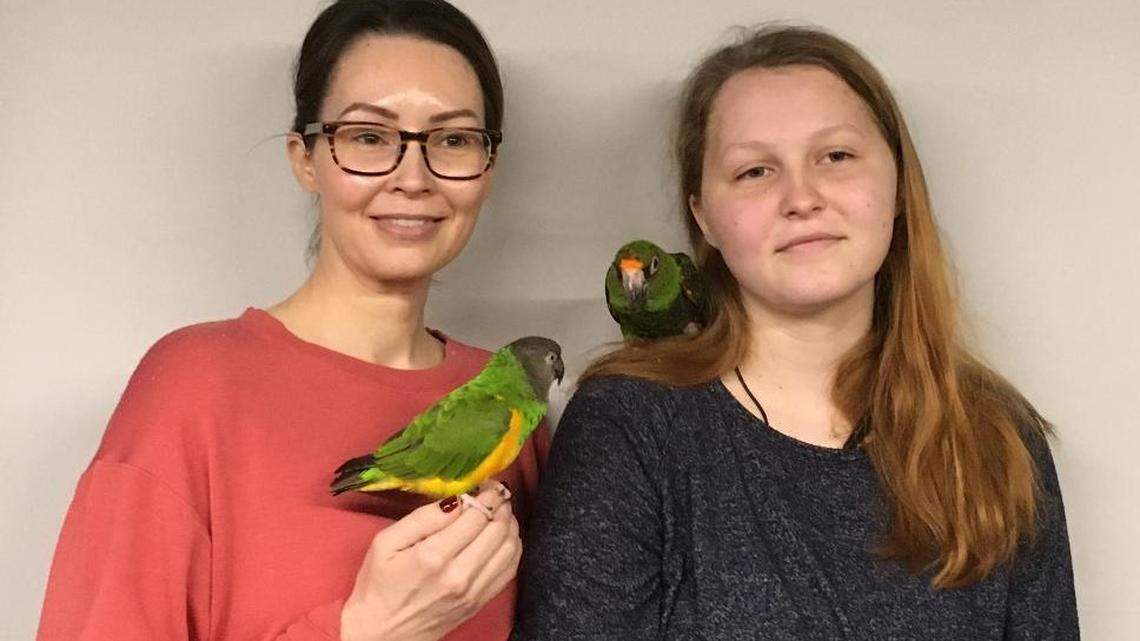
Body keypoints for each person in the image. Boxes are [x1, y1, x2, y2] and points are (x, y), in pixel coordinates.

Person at [514, 25, 1078, 640]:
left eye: (836, 156)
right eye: (755, 171)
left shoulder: (995, 433)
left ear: (896, 185)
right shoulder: (630, 424)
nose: (801, 197)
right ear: (703, 213)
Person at [37, 1, 549, 640]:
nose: (413, 177)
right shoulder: (191, 387)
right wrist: (371, 631)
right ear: (306, 158)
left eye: (452, 139)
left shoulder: (516, 412)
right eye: (368, 137)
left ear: (487, 169)